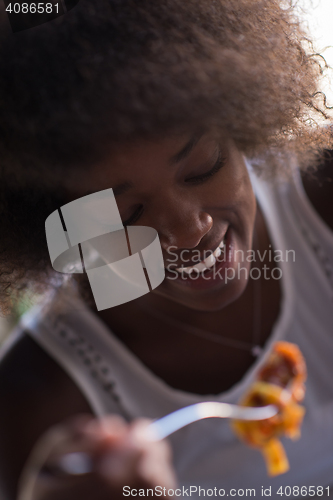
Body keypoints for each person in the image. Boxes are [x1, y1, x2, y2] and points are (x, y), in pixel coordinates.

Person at [0, 0, 333, 499]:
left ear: (242, 123)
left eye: (203, 166)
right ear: (59, 227)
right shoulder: (41, 406)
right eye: (126, 216)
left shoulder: (322, 200)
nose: (189, 230)